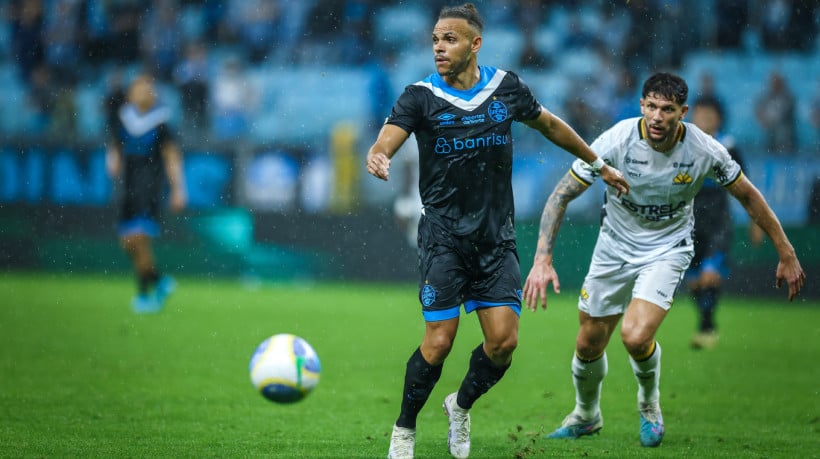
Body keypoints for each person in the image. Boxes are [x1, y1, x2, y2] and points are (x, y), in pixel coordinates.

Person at [365, 4, 629, 458]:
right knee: (440, 341)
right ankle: (404, 430)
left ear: (475, 44)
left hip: (495, 238)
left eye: (450, 39)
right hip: (444, 238)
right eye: (435, 39)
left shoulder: (505, 87)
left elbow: (548, 124)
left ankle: (460, 405)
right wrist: (379, 153)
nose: (439, 47)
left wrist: (597, 162)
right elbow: (390, 133)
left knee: (504, 343)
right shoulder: (420, 96)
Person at [523, 72, 805, 448]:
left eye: (667, 109)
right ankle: (586, 415)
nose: (657, 116)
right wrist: (543, 259)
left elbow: (749, 196)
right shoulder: (616, 140)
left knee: (635, 336)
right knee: (588, 343)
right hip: (613, 247)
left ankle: (649, 407)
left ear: (682, 113)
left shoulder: (705, 150)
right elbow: (561, 195)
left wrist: (786, 252)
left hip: (668, 248)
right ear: (641, 105)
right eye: (651, 107)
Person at [686, 96, 763, 350]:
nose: (704, 119)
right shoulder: (684, 143)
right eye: (699, 114)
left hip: (718, 222)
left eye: (709, 115)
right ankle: (706, 322)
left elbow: (746, 188)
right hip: (689, 222)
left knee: (710, 275)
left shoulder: (728, 146)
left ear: (719, 119)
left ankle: (707, 329)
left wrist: (755, 223)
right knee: (695, 281)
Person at [106, 74, 187, 313]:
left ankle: (143, 294)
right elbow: (115, 144)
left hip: (150, 187)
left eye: (145, 89)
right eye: (137, 88)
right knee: (128, 244)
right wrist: (112, 159)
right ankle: (159, 282)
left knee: (139, 239)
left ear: (152, 94)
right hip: (128, 188)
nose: (141, 93)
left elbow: (172, 157)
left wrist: (178, 189)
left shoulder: (161, 123)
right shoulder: (123, 119)